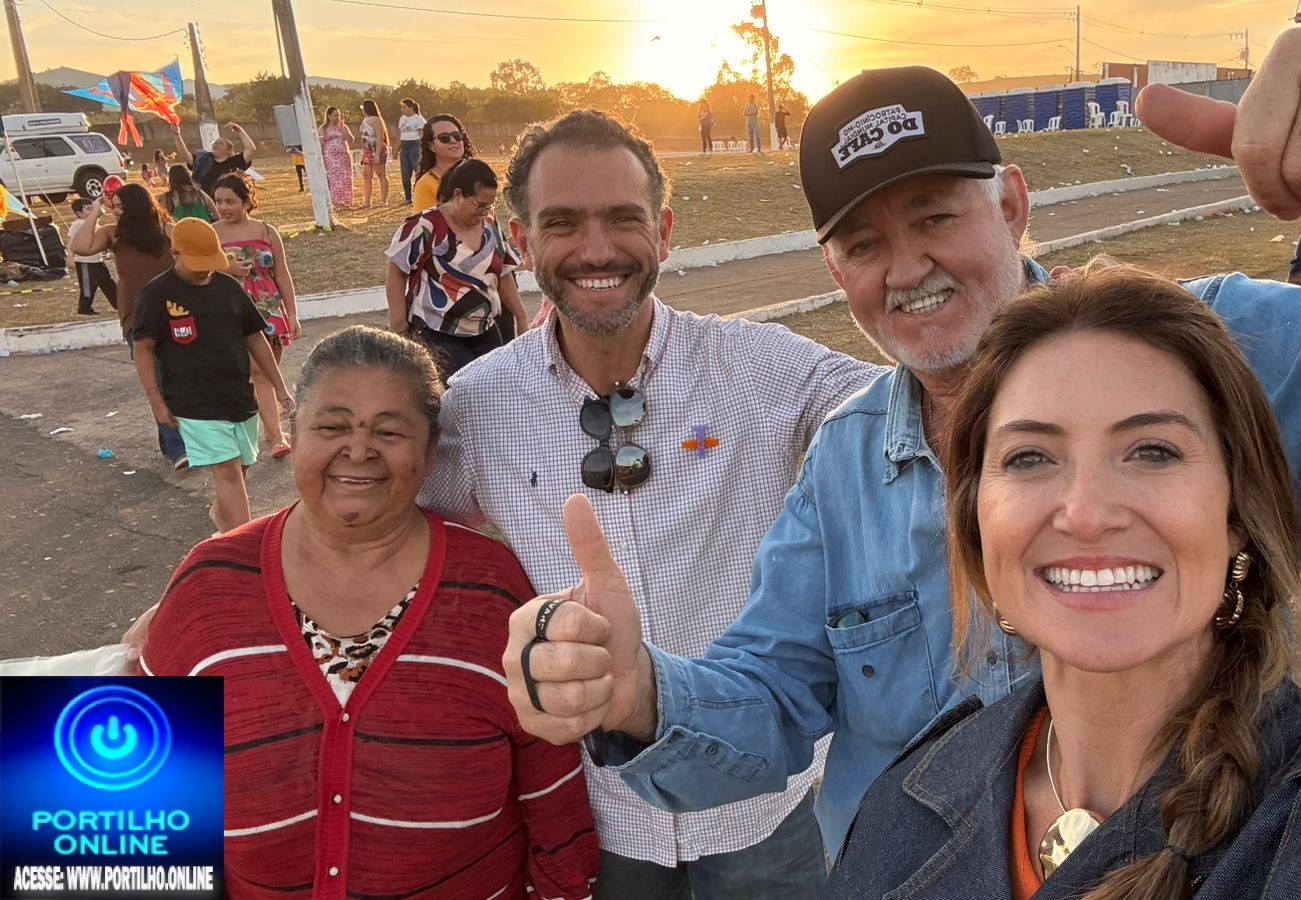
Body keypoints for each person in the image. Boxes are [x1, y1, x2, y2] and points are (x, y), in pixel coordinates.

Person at [504, 24, 1301, 862]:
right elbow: (773, 701)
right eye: (864, 244)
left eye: (937, 216)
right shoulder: (844, 464)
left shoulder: (1211, 355)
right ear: (834, 272)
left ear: (1013, 203)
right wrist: (638, 693)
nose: (908, 268)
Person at [832, 268, 1301, 899]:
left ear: (1237, 513)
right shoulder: (911, 793)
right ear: (975, 521)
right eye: (1029, 458)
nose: (1086, 514)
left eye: (1152, 451)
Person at [421, 109, 882, 900]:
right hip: (600, 817)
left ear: (664, 232)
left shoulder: (758, 366)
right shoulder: (479, 404)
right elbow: (383, 526)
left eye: (623, 219)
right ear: (520, 242)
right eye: (563, 223)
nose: (597, 248)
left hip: (761, 809)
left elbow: (923, 406)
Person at [138, 325, 601, 899]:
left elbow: (551, 789)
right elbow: (134, 801)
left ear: (430, 453)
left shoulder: (491, 590)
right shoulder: (209, 584)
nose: (358, 450)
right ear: (293, 435)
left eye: (389, 430)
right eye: (332, 427)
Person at [130, 218, 293, 534]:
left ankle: (223, 515)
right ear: (175, 253)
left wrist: (280, 388)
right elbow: (143, 347)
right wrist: (155, 400)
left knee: (241, 467)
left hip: (238, 395)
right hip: (193, 401)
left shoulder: (228, 287)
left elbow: (255, 338)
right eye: (197, 263)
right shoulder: (156, 294)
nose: (205, 270)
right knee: (227, 471)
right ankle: (243, 544)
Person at [69, 183, 188, 469]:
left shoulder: (166, 230)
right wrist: (95, 212)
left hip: (173, 311)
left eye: (121, 207)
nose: (116, 211)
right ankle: (177, 448)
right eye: (114, 206)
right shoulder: (113, 233)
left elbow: (190, 252)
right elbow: (80, 246)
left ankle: (173, 441)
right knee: (155, 380)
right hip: (135, 314)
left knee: (179, 378)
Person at [386, 158, 527, 379]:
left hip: (486, 330)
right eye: (480, 205)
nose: (485, 212)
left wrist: (521, 318)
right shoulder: (425, 226)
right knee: (457, 391)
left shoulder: (490, 227)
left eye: (489, 206)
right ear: (458, 195)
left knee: (496, 388)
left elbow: (503, 273)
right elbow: (396, 272)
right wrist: (399, 326)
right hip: (439, 333)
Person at [214, 173, 300, 461]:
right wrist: (226, 269)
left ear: (247, 202)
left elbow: (283, 274)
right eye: (218, 201)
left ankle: (268, 425)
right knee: (259, 372)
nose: (223, 207)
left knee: (268, 370)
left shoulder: (266, 231)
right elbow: (195, 269)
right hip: (231, 309)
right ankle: (276, 436)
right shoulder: (211, 234)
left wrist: (292, 313)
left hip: (268, 308)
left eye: (230, 201)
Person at [172, 121, 256, 197]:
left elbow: (251, 150)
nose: (216, 144)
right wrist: (177, 135)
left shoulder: (235, 162)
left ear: (228, 150)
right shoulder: (203, 160)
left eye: (221, 143)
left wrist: (239, 130)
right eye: (215, 143)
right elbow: (185, 155)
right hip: (205, 203)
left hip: (227, 203)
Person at [412, 114, 472, 212]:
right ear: (431, 146)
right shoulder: (425, 184)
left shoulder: (477, 175)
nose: (453, 141)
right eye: (444, 138)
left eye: (457, 136)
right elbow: (425, 220)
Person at [67, 197, 116, 315]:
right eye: (88, 209)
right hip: (84, 262)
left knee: (107, 282)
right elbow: (71, 242)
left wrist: (100, 202)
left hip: (97, 260)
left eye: (92, 209)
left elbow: (100, 212)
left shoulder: (94, 222)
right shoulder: (78, 224)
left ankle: (118, 303)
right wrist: (70, 257)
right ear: (79, 213)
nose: (92, 211)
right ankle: (84, 308)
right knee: (87, 286)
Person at [321, 107, 356, 209]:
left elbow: (351, 140)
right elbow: (321, 143)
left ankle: (346, 201)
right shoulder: (323, 128)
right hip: (331, 160)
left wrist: (342, 129)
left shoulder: (343, 126)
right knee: (334, 180)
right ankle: (336, 202)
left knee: (346, 178)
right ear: (329, 116)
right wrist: (321, 157)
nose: (337, 117)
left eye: (338, 115)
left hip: (343, 158)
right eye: (335, 115)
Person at [360, 98, 392, 209]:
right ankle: (367, 201)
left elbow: (379, 137)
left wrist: (377, 153)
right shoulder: (365, 119)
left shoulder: (377, 120)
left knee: (381, 174)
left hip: (376, 149)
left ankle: (383, 200)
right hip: (367, 150)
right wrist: (363, 152)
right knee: (367, 175)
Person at [396, 98, 426, 205]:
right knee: (405, 173)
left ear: (411, 108)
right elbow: (399, 135)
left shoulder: (418, 120)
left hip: (415, 145)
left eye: (404, 107)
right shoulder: (402, 119)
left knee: (418, 171)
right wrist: (396, 150)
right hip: (405, 146)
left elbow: (422, 135)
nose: (402, 109)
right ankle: (408, 197)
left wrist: (423, 149)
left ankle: (421, 195)